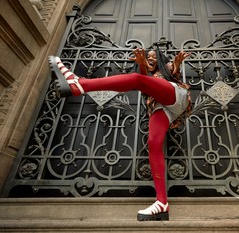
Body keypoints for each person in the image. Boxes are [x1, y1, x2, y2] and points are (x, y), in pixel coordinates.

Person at [48, 48, 191, 221]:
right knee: (153, 145)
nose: (151, 59)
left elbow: (172, 69)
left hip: (176, 95)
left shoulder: (165, 68)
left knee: (136, 79)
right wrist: (141, 65)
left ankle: (79, 84)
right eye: (149, 57)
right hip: (162, 108)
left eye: (154, 57)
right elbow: (145, 83)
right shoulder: (150, 76)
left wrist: (177, 62)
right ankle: (162, 203)